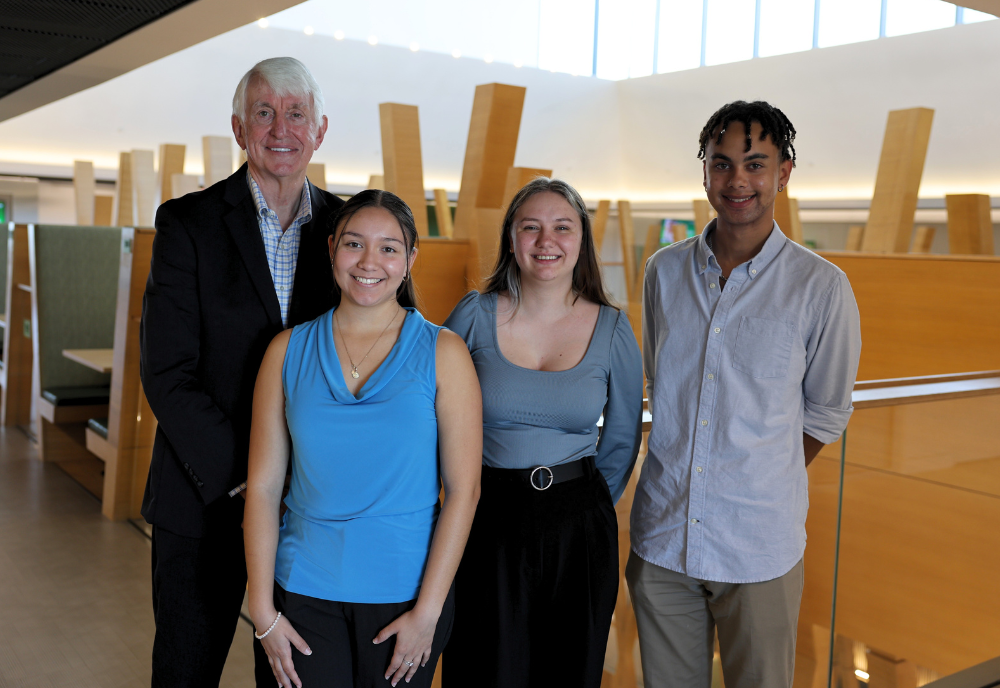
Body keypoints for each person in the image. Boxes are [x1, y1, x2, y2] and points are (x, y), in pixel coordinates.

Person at [627, 100, 862, 688]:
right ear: (704, 172)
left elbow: (827, 412)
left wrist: (760, 474)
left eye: (755, 164)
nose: (738, 181)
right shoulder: (663, 271)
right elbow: (661, 383)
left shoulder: (822, 288)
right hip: (662, 539)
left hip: (758, 547)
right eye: (722, 163)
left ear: (784, 172)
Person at [140, 57, 344, 687]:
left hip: (309, 517)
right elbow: (167, 373)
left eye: (296, 113)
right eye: (264, 112)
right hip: (204, 499)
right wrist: (254, 479)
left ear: (320, 129)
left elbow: (392, 347)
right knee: (185, 672)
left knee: (292, 680)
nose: (280, 127)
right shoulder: (187, 224)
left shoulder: (351, 229)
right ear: (238, 127)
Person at [244, 189, 482, 688]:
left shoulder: (445, 353)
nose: (370, 261)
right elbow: (264, 488)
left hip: (405, 598)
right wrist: (261, 607)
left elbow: (463, 491)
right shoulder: (286, 351)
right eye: (354, 244)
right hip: (301, 594)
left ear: (411, 259)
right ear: (331, 249)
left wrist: (429, 612)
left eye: (389, 248)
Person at [442, 177, 644, 688]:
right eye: (530, 227)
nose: (545, 241)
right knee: (484, 665)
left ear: (581, 240)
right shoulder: (473, 314)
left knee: (569, 670)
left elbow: (621, 440)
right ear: (511, 238)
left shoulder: (613, 329)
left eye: (562, 227)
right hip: (486, 515)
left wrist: (584, 505)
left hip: (578, 523)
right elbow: (429, 416)